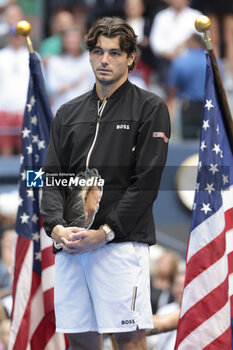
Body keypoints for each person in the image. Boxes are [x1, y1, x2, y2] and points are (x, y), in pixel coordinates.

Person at [41, 17, 170, 350]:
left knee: (128, 339)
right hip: (70, 245)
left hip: (120, 245)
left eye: (114, 52)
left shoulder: (150, 108)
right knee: (81, 341)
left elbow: (146, 184)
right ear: (89, 54)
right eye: (98, 51)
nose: (105, 60)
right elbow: (52, 180)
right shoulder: (67, 113)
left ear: (130, 57)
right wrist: (56, 229)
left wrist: (104, 233)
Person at [149, 0, 202, 89]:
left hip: (190, 60)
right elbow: (155, 41)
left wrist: (185, 45)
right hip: (167, 60)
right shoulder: (161, 16)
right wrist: (169, 54)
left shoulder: (196, 15)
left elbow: (201, 38)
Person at [45, 25, 94, 115]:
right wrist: (73, 83)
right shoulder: (54, 62)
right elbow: (52, 87)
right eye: (69, 38)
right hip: (61, 112)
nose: (72, 41)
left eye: (75, 38)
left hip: (85, 113)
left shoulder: (90, 59)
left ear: (81, 40)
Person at [166, 33, 206, 139]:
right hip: (209, 106)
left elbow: (173, 87)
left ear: (191, 42)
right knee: (209, 142)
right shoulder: (214, 61)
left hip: (189, 106)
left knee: (188, 141)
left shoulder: (181, 61)